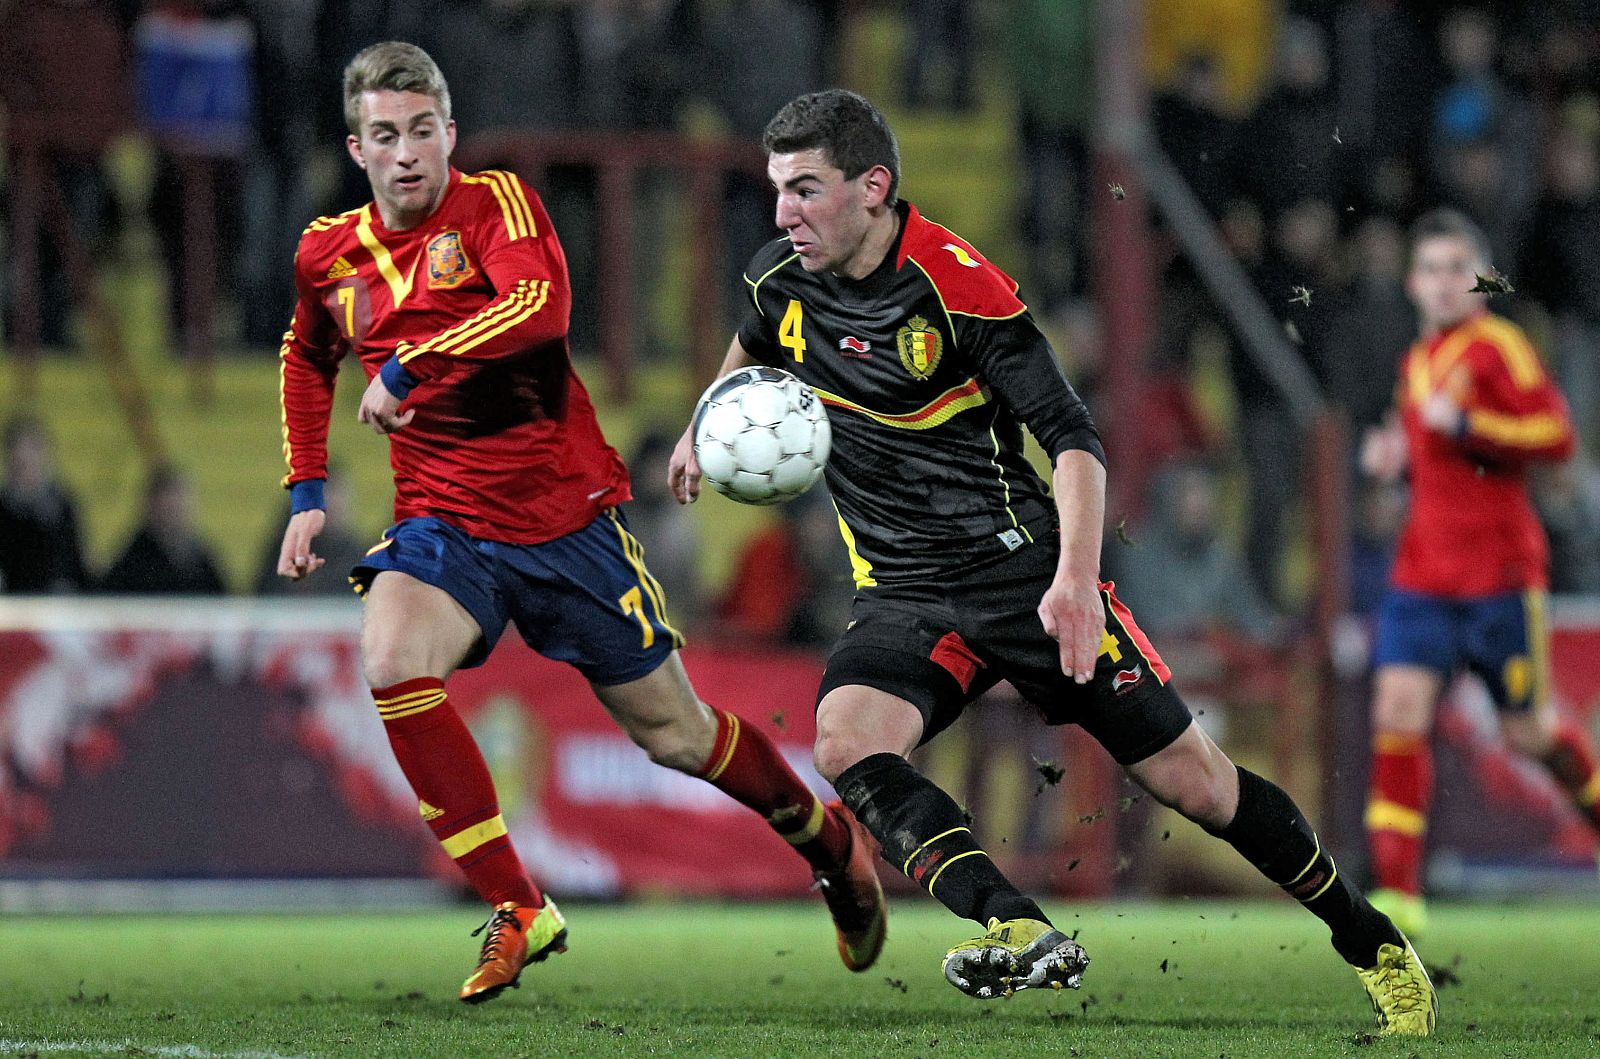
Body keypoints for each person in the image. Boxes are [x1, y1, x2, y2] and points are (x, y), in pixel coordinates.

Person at [669, 89, 1436, 1036]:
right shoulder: (778, 275)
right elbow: (750, 346)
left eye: (807, 190)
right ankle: (1019, 927)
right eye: (778, 189)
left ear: (874, 188)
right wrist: (709, 424)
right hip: (905, 590)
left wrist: (1073, 580)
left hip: (1023, 573)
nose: (784, 213)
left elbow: (1073, 438)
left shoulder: (958, 286)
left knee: (1194, 782)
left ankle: (1371, 940)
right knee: (844, 742)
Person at [273, 43, 885, 1005]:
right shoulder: (327, 252)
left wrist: (410, 364)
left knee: (677, 737)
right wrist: (307, 489)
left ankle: (822, 834)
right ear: (357, 147)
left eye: (423, 131)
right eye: (385, 136)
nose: (407, 155)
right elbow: (307, 356)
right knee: (391, 656)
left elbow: (541, 308)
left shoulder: (494, 208)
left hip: (564, 520)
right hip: (444, 520)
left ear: (450, 134)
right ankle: (518, 905)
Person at [1360, 208, 1600, 938]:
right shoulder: (1416, 362)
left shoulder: (1502, 348)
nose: (1442, 284)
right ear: (1411, 283)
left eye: (1456, 269)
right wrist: (1394, 460)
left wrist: (1466, 426)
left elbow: (1555, 436)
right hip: (1424, 576)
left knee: (1530, 735)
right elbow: (1428, 451)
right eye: (1429, 269)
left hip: (1499, 578)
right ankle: (1398, 897)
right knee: (1397, 713)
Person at [100, 464, 227, 595]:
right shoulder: (132, 564)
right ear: (150, 506)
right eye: (167, 508)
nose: (172, 513)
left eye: (178, 506)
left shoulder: (202, 560)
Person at [0, 415, 90, 594]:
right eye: (20, 460)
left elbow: (75, 566)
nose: (25, 463)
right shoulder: (3, 508)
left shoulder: (63, 507)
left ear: (44, 455)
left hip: (54, 610)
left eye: (31, 453)